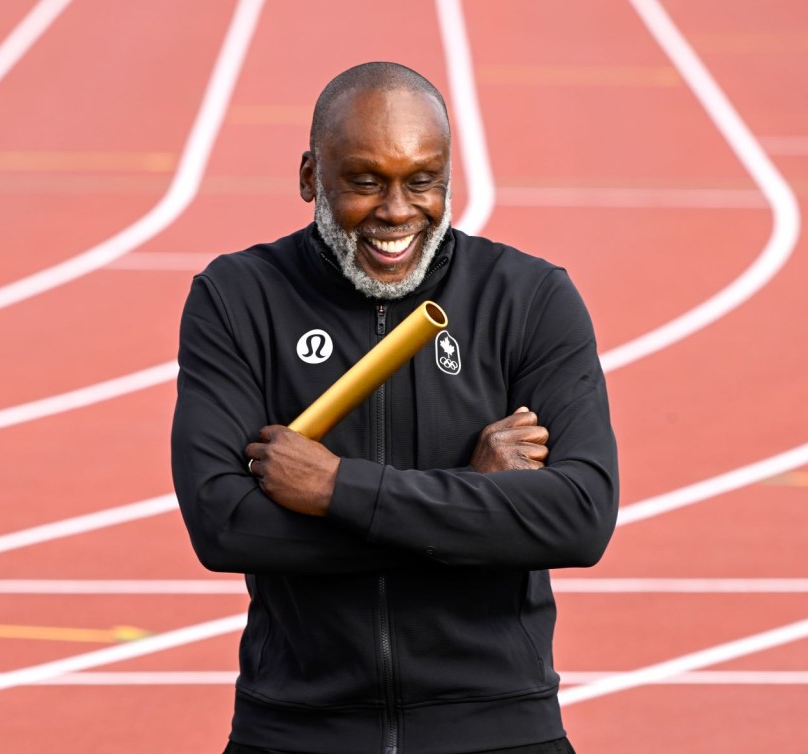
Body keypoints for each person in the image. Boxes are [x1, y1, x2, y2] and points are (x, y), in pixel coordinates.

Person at [172, 62, 618, 754]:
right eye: (364, 181)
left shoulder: (529, 298)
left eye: (422, 180)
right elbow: (224, 526)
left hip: (498, 728)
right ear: (308, 177)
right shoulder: (238, 297)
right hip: (295, 729)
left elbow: (580, 516)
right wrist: (473, 507)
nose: (397, 211)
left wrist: (334, 488)